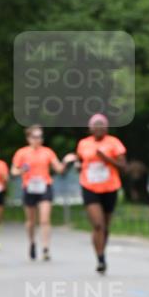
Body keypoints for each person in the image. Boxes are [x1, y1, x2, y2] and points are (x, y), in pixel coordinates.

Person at [62, 113, 127, 274]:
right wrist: (77, 165)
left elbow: (123, 166)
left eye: (102, 125)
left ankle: (102, 250)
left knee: (105, 226)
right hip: (89, 187)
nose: (99, 128)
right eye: (95, 125)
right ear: (90, 128)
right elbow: (80, 160)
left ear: (106, 127)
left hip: (110, 187)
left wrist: (106, 159)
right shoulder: (83, 144)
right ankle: (100, 258)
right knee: (98, 224)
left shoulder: (114, 142)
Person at [11, 125, 66, 261]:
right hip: (29, 188)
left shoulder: (47, 152)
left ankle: (45, 248)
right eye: (35, 137)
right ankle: (32, 242)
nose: (38, 140)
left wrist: (66, 161)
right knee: (30, 221)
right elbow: (13, 171)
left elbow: (59, 169)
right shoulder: (21, 153)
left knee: (45, 219)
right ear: (28, 138)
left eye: (40, 137)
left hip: (44, 187)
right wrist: (21, 171)